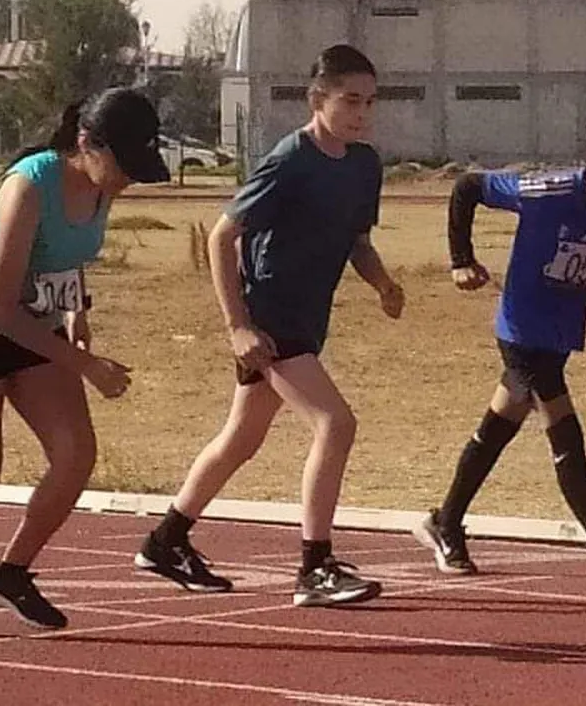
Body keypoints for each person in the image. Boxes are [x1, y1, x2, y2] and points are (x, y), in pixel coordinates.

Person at [135, 44, 403, 607]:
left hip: (308, 318)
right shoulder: (289, 160)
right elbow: (221, 237)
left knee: (241, 440)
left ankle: (166, 541)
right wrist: (238, 326)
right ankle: (315, 565)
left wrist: (381, 284)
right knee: (336, 424)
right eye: (350, 100)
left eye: (370, 102)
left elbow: (358, 240)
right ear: (317, 99)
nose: (361, 113)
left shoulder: (363, 165)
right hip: (272, 321)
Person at [0, 88, 170, 638]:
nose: (128, 180)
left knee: (75, 454)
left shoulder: (100, 187)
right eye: (124, 165)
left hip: (36, 326)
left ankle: (11, 573)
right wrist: (85, 365)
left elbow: (66, 259)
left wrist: (75, 315)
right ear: (86, 143)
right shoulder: (29, 185)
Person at [414, 114, 586, 588]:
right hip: (520, 328)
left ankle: (445, 522)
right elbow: (467, 187)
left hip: (560, 335)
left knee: (499, 424)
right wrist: (461, 260)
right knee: (563, 425)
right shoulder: (546, 192)